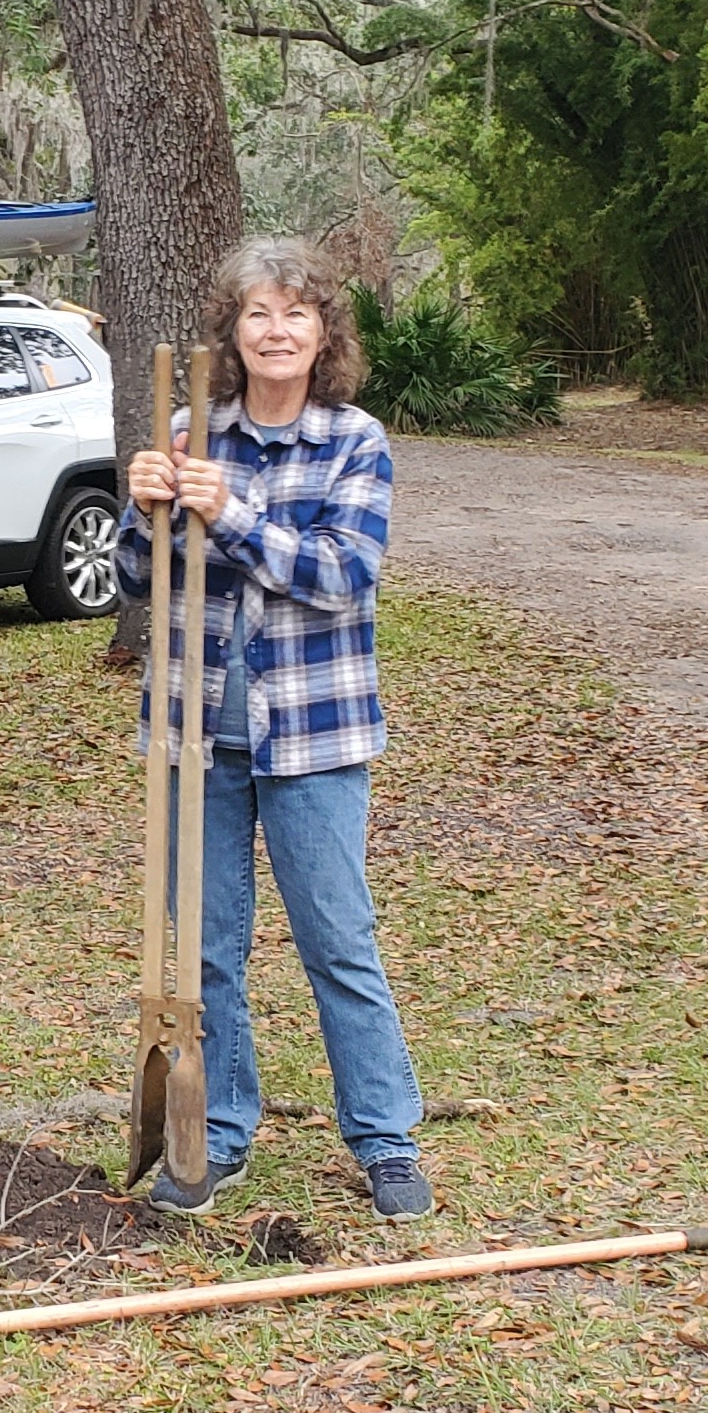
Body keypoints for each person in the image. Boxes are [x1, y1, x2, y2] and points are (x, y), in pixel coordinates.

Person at [120, 239, 436, 1223]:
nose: (277, 331)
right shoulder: (190, 431)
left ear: (324, 333)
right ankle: (215, 1135)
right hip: (197, 735)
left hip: (315, 740)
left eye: (296, 314)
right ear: (234, 330)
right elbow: (140, 583)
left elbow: (344, 577)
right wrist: (140, 512)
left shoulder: (354, 440)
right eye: (259, 314)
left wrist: (237, 513)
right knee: (208, 951)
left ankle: (385, 1141)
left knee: (339, 944)